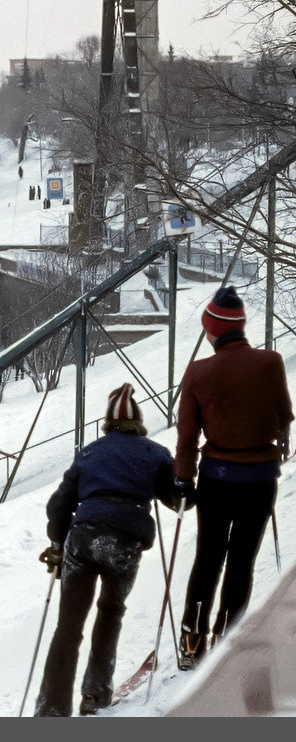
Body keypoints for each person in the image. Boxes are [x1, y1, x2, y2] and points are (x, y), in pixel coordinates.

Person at [35, 383, 178, 716]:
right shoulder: (155, 453)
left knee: (68, 626)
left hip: (82, 538)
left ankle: (51, 708)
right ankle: (95, 695)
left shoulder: (88, 453)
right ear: (138, 421)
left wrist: (57, 544)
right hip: (125, 540)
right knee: (110, 611)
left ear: (107, 422)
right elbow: (177, 499)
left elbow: (59, 504)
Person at [175, 287, 294, 669]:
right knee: (242, 561)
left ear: (212, 329)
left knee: (208, 558)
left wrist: (183, 480)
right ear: (240, 327)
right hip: (260, 480)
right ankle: (226, 643)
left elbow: (187, 434)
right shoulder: (271, 362)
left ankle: (191, 642)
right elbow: (284, 415)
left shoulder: (199, 371)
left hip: (216, 479)